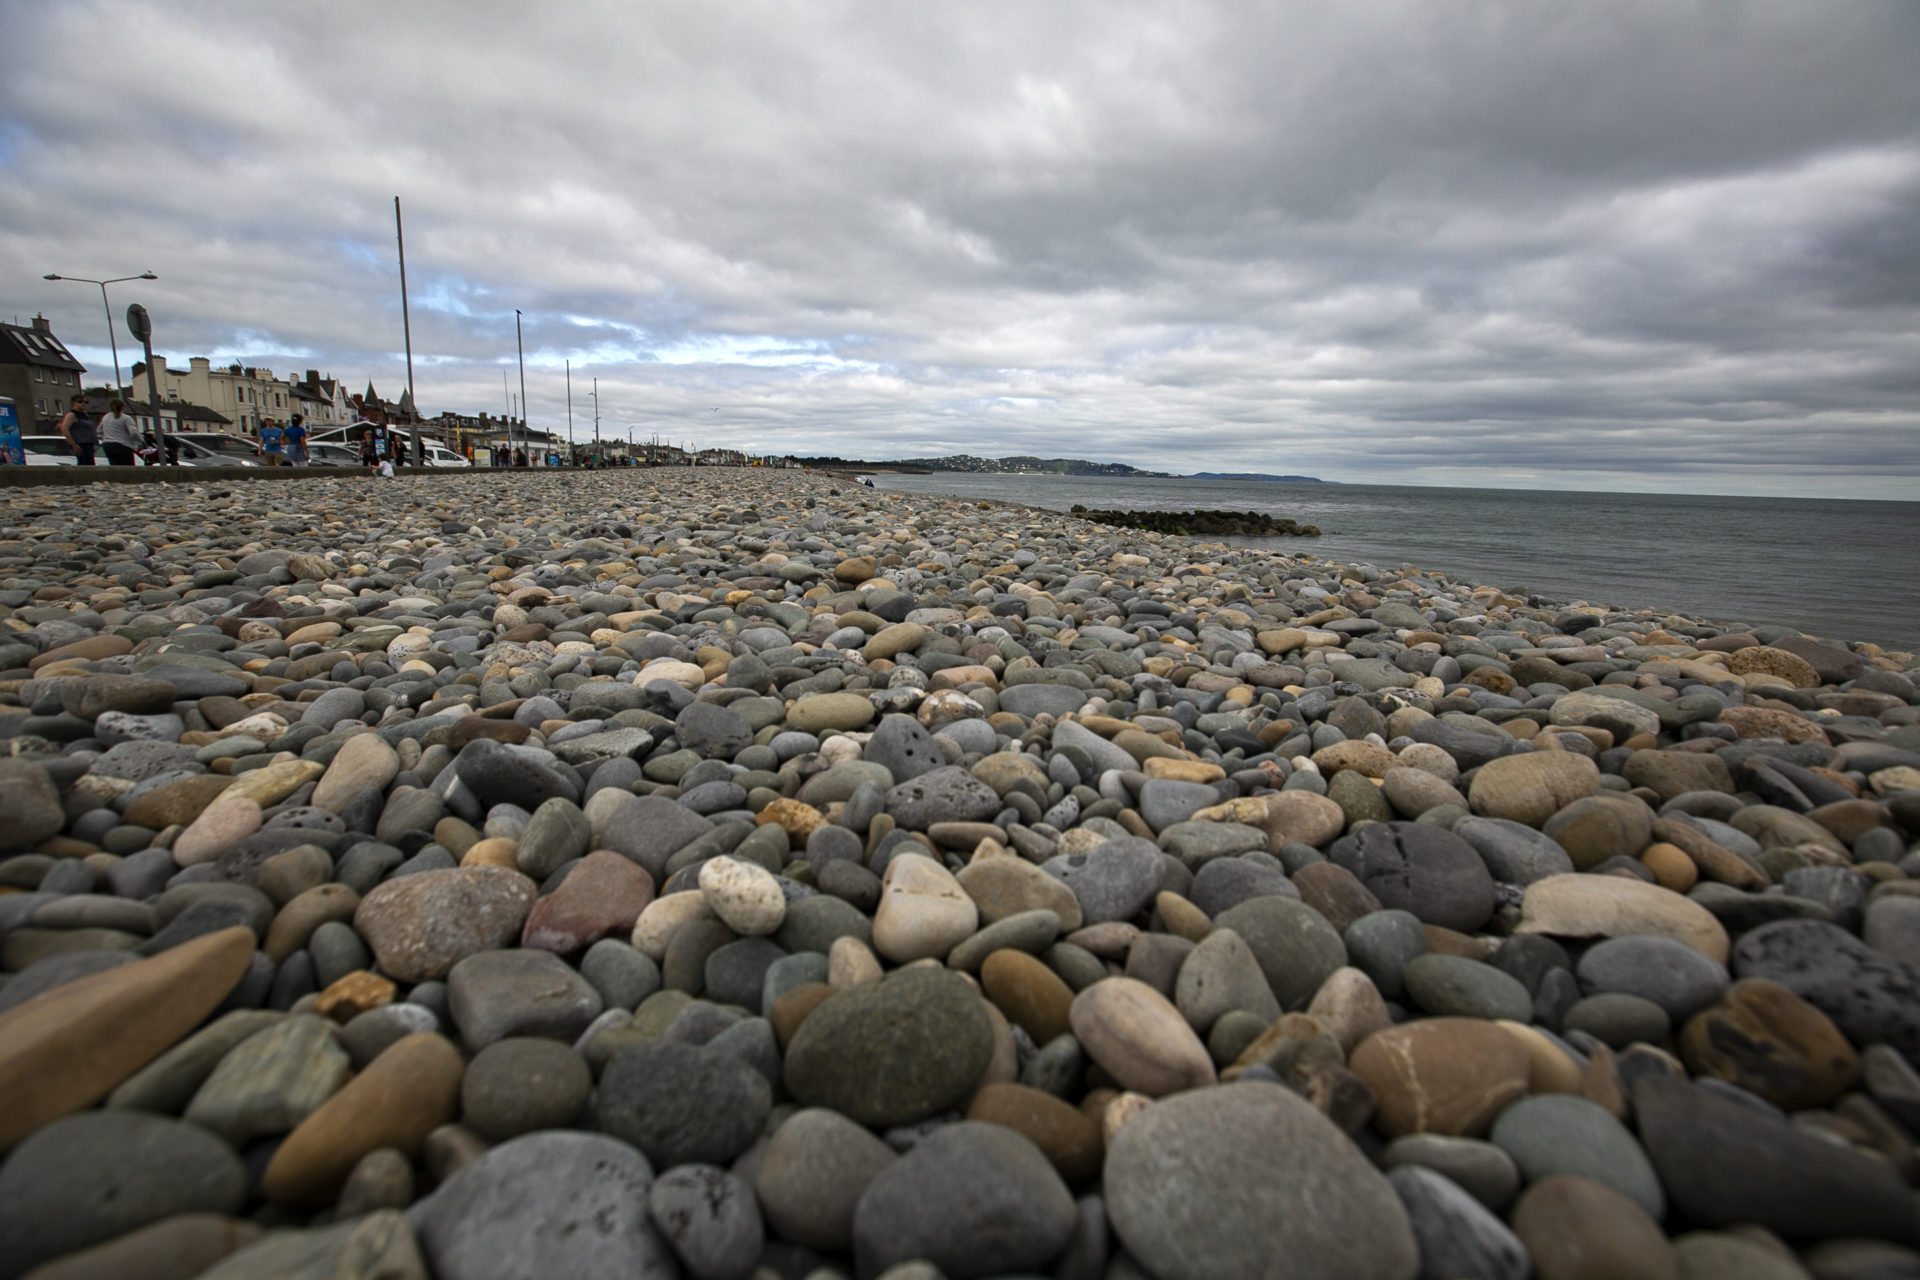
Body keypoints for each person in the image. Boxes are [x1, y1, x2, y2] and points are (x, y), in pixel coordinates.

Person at [97, 399, 140, 465]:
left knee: (115, 468)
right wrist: (139, 440)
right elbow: (134, 433)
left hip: (108, 445)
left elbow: (98, 431)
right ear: (123, 407)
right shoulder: (126, 418)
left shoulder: (105, 417)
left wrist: (103, 438)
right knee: (128, 469)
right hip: (123, 445)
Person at [58, 394, 97, 465]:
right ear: (73, 403)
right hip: (81, 444)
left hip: (89, 444)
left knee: (90, 464)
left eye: (85, 402)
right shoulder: (72, 414)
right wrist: (74, 445)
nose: (83, 404)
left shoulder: (84, 414)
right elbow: (64, 428)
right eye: (80, 402)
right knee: (85, 465)